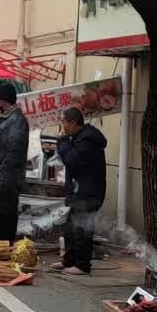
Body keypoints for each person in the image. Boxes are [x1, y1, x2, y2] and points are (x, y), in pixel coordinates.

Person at [54, 105, 107, 275]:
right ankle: (69, 260)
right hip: (80, 192)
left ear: (74, 123)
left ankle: (83, 265)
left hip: (89, 193)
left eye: (64, 122)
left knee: (82, 228)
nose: (62, 126)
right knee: (70, 228)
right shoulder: (78, 137)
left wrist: (62, 142)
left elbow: (72, 161)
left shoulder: (87, 140)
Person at [0, 81, 29, 246]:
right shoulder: (6, 116)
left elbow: (14, 151)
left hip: (9, 177)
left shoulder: (17, 120)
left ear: (4, 99)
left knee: (7, 213)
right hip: (0, 175)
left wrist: (2, 174)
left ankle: (5, 245)